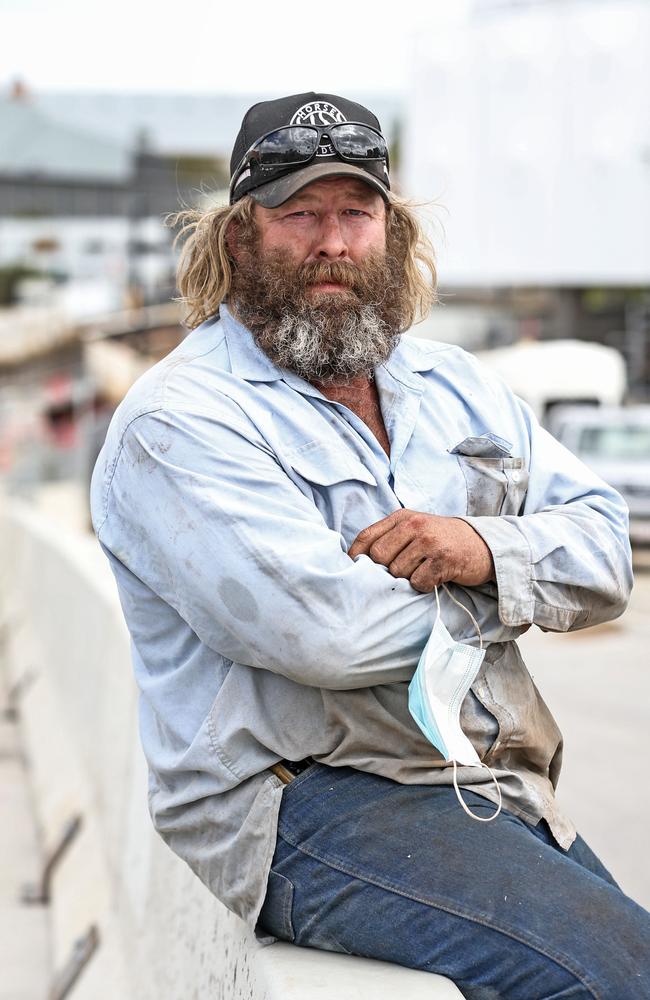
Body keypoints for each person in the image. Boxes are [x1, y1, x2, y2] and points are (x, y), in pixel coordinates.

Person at [90, 92, 650, 999]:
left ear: (392, 231)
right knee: (612, 977)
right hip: (304, 800)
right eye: (299, 214)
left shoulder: (456, 384)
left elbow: (609, 553)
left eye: (357, 213)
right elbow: (328, 635)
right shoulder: (180, 419)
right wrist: (520, 579)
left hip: (478, 783)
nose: (333, 242)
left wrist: (475, 548)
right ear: (238, 238)